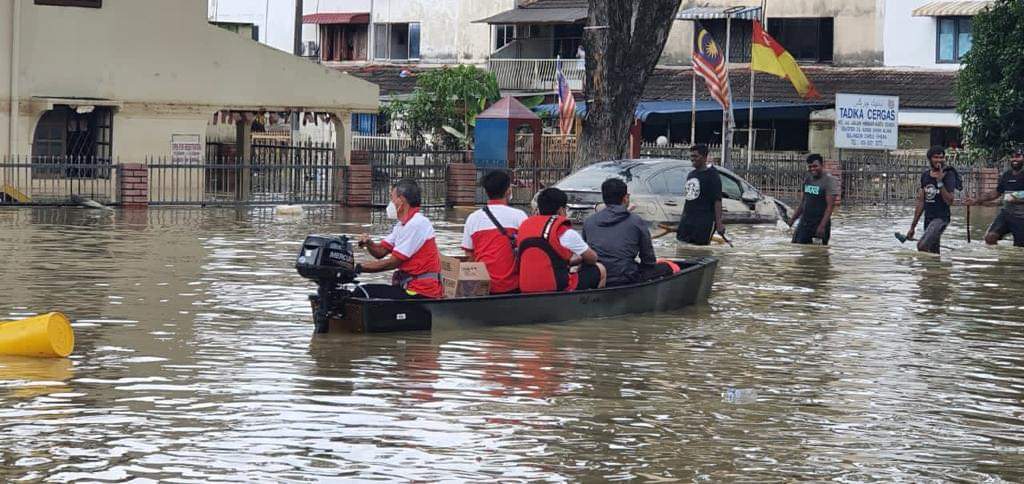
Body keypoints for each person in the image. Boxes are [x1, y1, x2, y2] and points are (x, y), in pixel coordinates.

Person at [356, 179, 443, 299]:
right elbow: (380, 253)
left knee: (363, 292)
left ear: (401, 200)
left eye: (392, 198)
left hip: (422, 291)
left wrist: (358, 268)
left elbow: (393, 263)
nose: (390, 203)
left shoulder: (417, 224)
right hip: (408, 286)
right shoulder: (401, 225)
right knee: (361, 291)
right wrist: (369, 243)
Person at [583, 178, 676, 286]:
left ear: (604, 198)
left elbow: (585, 255)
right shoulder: (636, 221)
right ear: (625, 198)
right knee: (667, 267)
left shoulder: (589, 221)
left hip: (597, 276)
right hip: (626, 278)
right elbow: (648, 260)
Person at [518, 188, 606, 293]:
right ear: (561, 210)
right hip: (555, 286)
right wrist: (580, 260)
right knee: (600, 269)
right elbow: (592, 258)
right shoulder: (564, 231)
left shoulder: (524, 226)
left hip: (525, 286)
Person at [461, 170, 528, 294]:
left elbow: (468, 256)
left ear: (486, 192)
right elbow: (527, 252)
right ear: (508, 191)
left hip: (482, 287)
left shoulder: (473, 218)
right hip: (513, 286)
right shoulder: (520, 216)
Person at [967, 148, 1024, 247]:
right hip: (1006, 215)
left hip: (1021, 217)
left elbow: (1012, 197)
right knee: (990, 237)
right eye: (1012, 157)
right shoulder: (1007, 175)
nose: (1014, 159)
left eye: (1018, 156)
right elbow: (995, 193)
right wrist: (976, 200)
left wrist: (1015, 197)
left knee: (1019, 247)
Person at [906, 146, 957, 254]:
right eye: (936, 157)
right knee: (933, 251)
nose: (939, 160)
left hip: (941, 219)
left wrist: (939, 182)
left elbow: (950, 201)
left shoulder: (948, 175)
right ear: (930, 159)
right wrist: (912, 227)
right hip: (928, 219)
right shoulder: (925, 176)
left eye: (941, 157)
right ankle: (935, 270)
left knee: (922, 245)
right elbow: (920, 202)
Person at [676, 144, 724, 245]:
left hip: (703, 221)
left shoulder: (712, 175)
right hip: (687, 220)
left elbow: (717, 200)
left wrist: (719, 223)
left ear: (704, 157)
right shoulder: (691, 175)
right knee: (682, 246)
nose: (692, 159)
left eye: (695, 156)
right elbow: (689, 199)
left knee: (700, 250)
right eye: (691, 156)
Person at [789, 153, 840, 245]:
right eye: (810, 167)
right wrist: (793, 219)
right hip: (804, 222)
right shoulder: (808, 177)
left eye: (815, 166)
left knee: (818, 254)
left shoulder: (829, 181)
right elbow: (804, 201)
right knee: (796, 246)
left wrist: (822, 226)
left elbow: (830, 207)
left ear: (822, 165)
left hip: (819, 223)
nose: (812, 169)